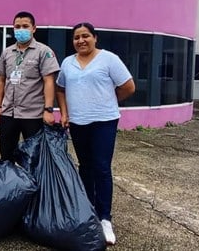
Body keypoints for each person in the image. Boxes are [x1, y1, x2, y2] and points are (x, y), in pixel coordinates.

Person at [56, 22, 136, 246]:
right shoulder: (68, 63)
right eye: (76, 37)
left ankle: (104, 218)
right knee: (85, 167)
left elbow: (128, 87)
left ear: (95, 38)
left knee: (101, 168)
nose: (81, 41)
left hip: (104, 122)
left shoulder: (109, 59)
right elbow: (61, 89)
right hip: (78, 123)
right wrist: (64, 113)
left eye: (85, 36)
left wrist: (108, 102)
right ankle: (87, 211)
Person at [0, 11, 60, 161]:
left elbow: (49, 81)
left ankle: (32, 184)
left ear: (34, 28)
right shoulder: (7, 52)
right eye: (17, 26)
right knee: (6, 153)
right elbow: (1, 79)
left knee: (33, 156)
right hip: (8, 112)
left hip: (33, 113)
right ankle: (9, 183)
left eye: (25, 26)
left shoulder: (44, 52)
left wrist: (48, 109)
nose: (21, 29)